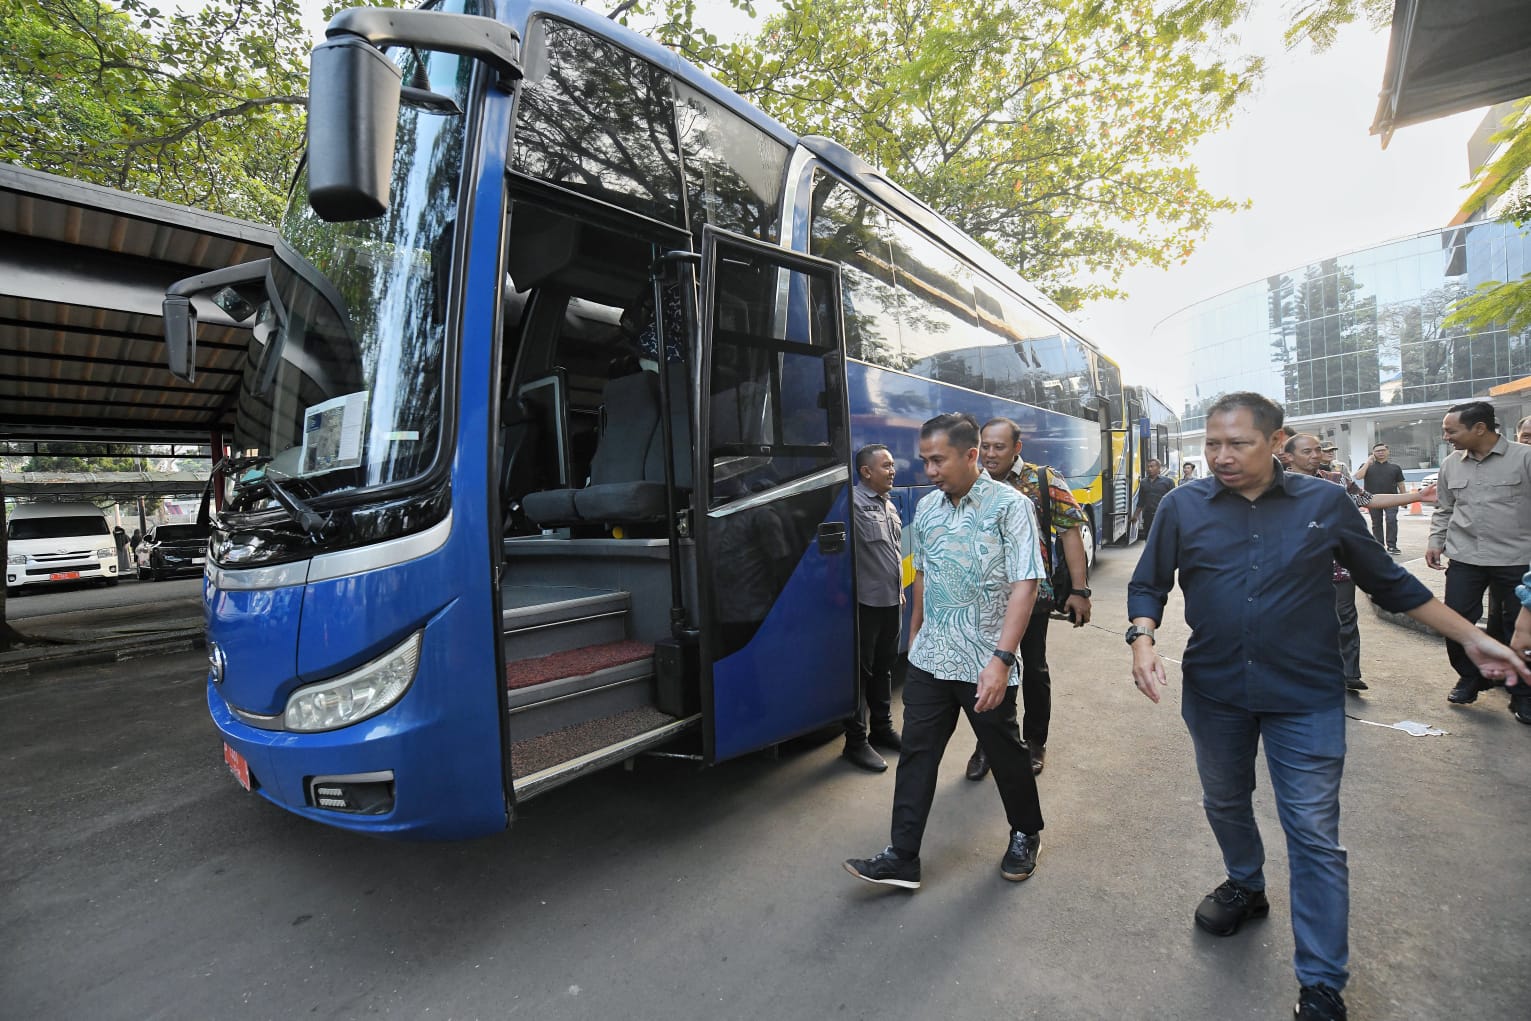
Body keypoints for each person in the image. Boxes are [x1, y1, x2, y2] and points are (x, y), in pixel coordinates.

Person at [1127, 392, 1530, 1021]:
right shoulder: (1183, 506)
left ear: (1276, 440)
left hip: (1306, 697)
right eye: (1212, 444)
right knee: (1225, 801)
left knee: (1314, 834)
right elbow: (1148, 581)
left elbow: (1390, 583)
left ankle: (1320, 983)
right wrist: (1143, 637)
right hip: (1215, 692)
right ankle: (1245, 882)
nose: (1221, 457)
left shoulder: (1325, 503)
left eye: (1238, 444)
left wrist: (1474, 637)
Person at [844, 412, 1047, 890]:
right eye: (925, 460)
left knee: (1004, 751)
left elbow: (1026, 584)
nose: (929, 470)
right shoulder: (928, 510)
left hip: (984, 662)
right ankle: (903, 855)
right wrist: (912, 640)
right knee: (917, 754)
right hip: (932, 658)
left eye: (938, 460)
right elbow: (924, 576)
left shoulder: (1010, 506)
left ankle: (1025, 832)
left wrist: (1002, 659)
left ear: (971, 455)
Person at [963, 418, 1090, 781]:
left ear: (1017, 448)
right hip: (986, 599)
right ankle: (989, 743)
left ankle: (1035, 742)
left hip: (1032, 595)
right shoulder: (975, 482)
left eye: (998, 447)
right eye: (984, 446)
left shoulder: (1043, 480)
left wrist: (1080, 591)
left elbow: (1070, 534)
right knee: (986, 671)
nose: (989, 454)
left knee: (1032, 670)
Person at [1284, 434, 1433, 692]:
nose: (1315, 455)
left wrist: (1417, 496)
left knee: (1344, 620)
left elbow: (1369, 500)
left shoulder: (1337, 481)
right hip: (1293, 571)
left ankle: (1348, 674)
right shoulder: (1276, 487)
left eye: (1318, 450)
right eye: (1307, 451)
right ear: (1288, 457)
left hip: (1337, 567)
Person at [1426, 401, 1531, 721]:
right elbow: (1444, 508)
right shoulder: (1450, 465)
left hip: (1517, 558)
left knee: (1521, 629)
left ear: (1480, 428)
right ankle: (1471, 677)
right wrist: (1435, 541)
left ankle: (1523, 693)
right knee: (1454, 619)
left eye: (1451, 430)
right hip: (1465, 557)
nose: (1446, 437)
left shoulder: (1524, 458)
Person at [843, 443, 904, 772]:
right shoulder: (850, 504)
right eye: (886, 465)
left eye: (892, 465)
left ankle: (883, 730)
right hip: (865, 603)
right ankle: (856, 742)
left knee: (885, 669)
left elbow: (893, 551)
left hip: (891, 601)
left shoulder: (888, 504)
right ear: (866, 472)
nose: (893, 470)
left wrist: (900, 591)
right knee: (861, 675)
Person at [1355, 443, 1406, 554]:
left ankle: (1392, 546)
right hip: (1373, 499)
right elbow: (1358, 476)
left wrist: (1405, 498)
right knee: (1376, 522)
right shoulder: (1367, 466)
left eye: (1383, 450)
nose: (1380, 452)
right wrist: (1368, 463)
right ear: (1373, 453)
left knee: (1391, 520)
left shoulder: (1395, 468)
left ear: (1387, 452)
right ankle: (1379, 545)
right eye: (1377, 451)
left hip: (1392, 499)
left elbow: (1401, 484)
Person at [1132, 458, 1176, 539]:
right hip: (1148, 516)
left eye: (1152, 466)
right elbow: (1141, 501)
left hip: (1163, 515)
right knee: (1149, 538)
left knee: (1163, 538)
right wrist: (1135, 515)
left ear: (1159, 468)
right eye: (1148, 467)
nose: (1149, 469)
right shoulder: (1143, 482)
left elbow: (1174, 501)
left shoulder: (1168, 482)